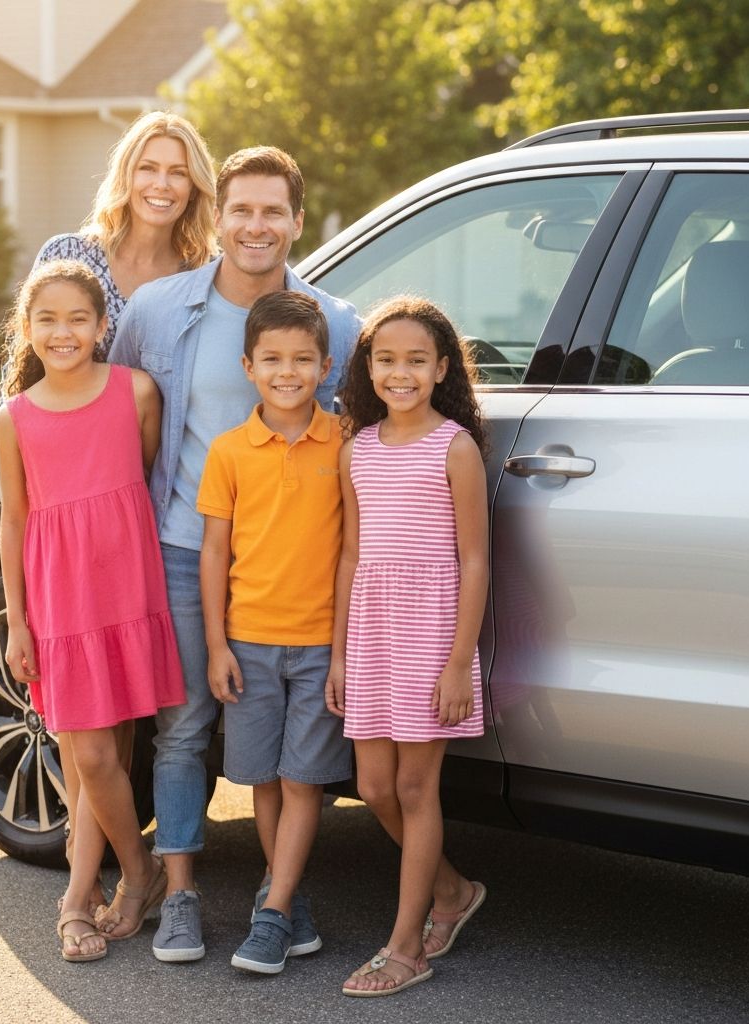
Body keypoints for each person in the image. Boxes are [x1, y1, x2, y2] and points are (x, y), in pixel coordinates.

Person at [109, 145, 360, 963]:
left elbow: (362, 436)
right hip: (186, 550)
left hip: (294, 568)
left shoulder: (339, 324)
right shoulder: (156, 308)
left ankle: (279, 895)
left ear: (296, 219)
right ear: (218, 216)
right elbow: (113, 415)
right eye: (241, 209)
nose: (256, 226)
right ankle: (179, 893)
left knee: (288, 747)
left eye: (273, 212)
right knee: (183, 731)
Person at [0, 259, 186, 962]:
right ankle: (135, 873)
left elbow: (142, 475)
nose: (63, 331)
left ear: (105, 325)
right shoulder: (14, 418)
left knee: (111, 750)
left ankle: (86, 891)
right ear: (27, 328)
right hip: (59, 601)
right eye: (47, 318)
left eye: (79, 317)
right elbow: (14, 521)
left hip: (125, 589)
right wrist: (18, 619)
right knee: (92, 750)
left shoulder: (135, 392)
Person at [325, 296, 489, 997]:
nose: (400, 373)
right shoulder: (356, 449)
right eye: (386, 360)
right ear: (368, 367)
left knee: (417, 787)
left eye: (417, 360)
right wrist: (339, 654)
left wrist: (458, 664)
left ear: (442, 367)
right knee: (373, 788)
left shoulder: (455, 447)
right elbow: (352, 555)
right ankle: (452, 892)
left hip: (430, 635)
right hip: (371, 632)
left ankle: (405, 947)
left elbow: (475, 561)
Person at [197, 290, 351, 974]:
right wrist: (215, 644)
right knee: (261, 779)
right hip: (248, 643)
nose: (287, 371)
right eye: (272, 360)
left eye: (302, 359)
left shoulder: (344, 444)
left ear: (324, 366)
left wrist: (344, 651)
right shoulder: (230, 452)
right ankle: (288, 899)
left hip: (319, 644)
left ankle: (273, 911)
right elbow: (213, 553)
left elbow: (352, 550)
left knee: (301, 781)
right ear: (248, 366)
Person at [33, 110, 217, 356]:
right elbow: (23, 365)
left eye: (178, 173)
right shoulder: (67, 254)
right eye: (148, 168)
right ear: (126, 176)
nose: (161, 184)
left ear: (193, 188)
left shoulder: (205, 274)